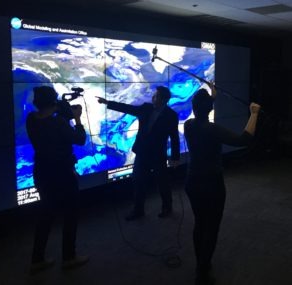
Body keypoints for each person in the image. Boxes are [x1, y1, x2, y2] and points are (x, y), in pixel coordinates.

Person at [184, 83, 261, 285]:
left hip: (192, 182)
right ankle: (202, 272)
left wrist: (212, 96)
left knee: (200, 223)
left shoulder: (189, 125)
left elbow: (202, 111)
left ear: (194, 108)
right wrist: (254, 113)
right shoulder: (214, 129)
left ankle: (201, 264)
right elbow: (244, 139)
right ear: (210, 108)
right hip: (212, 184)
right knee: (212, 227)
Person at [26, 86, 89, 273]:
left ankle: (37, 259)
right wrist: (77, 118)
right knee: (70, 214)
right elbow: (79, 139)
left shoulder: (31, 119)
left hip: (42, 173)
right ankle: (69, 258)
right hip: (62, 174)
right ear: (53, 101)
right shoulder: (59, 123)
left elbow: (50, 129)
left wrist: (61, 113)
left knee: (45, 215)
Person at [97, 86, 180, 221]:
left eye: (156, 96)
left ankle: (167, 208)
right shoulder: (146, 108)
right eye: (154, 95)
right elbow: (128, 109)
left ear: (164, 100)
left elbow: (174, 137)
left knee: (163, 183)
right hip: (142, 152)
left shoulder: (171, 116)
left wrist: (175, 157)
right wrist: (108, 103)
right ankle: (138, 210)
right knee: (138, 181)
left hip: (158, 154)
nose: (153, 97)